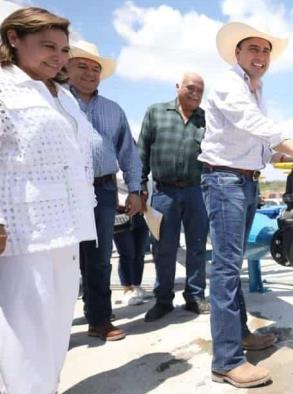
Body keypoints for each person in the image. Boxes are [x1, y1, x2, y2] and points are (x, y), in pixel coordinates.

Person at [200, 22, 293, 388]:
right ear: (237, 54)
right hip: (225, 180)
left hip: (244, 180)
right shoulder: (230, 85)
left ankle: (240, 334)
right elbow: (255, 124)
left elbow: (260, 145)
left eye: (265, 52)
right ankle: (226, 361)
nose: (260, 57)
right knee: (226, 268)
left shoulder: (254, 88)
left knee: (233, 262)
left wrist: (290, 159)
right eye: (253, 50)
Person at [0, 7, 97, 393]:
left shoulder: (63, 97)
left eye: (63, 49)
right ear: (13, 40)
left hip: (67, 226)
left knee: (56, 328)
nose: (58, 57)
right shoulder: (4, 87)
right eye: (47, 46)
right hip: (24, 230)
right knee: (24, 333)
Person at [67, 39, 142, 341]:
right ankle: (54, 325)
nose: (89, 73)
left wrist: (135, 190)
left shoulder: (114, 110)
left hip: (105, 191)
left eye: (95, 68)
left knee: (99, 257)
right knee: (63, 258)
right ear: (66, 68)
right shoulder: (57, 101)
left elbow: (129, 154)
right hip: (66, 191)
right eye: (81, 66)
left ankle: (99, 318)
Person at [138, 72, 210, 322]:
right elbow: (141, 152)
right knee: (163, 248)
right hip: (163, 192)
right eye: (191, 88)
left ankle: (195, 296)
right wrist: (139, 187)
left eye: (201, 90)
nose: (196, 94)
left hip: (196, 192)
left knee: (198, 246)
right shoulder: (156, 112)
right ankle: (163, 300)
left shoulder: (207, 119)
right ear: (178, 87)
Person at [113, 172, 153, 306]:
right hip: (121, 209)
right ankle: (127, 288)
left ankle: (136, 285)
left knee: (140, 251)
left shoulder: (140, 158)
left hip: (142, 209)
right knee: (126, 252)